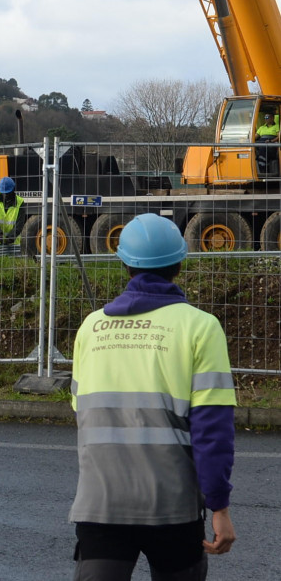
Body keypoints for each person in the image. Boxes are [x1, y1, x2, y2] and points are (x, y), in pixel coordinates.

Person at [69, 213, 236, 580]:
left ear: (125, 263)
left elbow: (82, 410)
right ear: (180, 262)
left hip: (101, 502)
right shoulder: (200, 327)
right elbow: (213, 430)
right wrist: (219, 506)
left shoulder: (91, 327)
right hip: (171, 506)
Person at [0, 177, 24, 252]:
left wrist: (9, 238)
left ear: (13, 190)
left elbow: (19, 224)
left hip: (13, 243)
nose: (6, 195)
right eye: (4, 193)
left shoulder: (20, 202)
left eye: (7, 193)